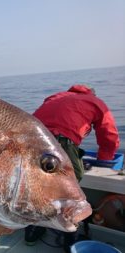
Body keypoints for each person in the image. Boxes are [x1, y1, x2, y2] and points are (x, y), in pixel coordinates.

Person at [25, 84, 120, 252]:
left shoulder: (56, 96)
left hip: (30, 141)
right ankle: (69, 240)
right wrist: (105, 158)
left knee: (35, 188)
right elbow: (108, 134)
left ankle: (32, 231)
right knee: (69, 193)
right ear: (92, 93)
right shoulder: (95, 102)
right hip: (60, 142)